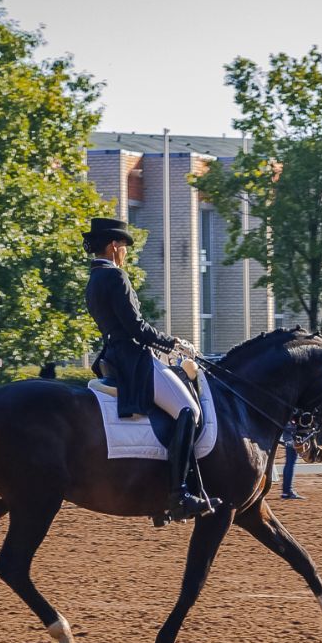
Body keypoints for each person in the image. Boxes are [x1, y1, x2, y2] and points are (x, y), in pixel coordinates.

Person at [82, 217, 218, 524]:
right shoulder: (115, 278)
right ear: (114, 246)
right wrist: (174, 343)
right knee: (188, 411)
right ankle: (178, 493)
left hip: (114, 356)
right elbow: (136, 327)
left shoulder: (93, 280)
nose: (126, 253)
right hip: (134, 359)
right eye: (125, 247)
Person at [279, 421, 304, 500]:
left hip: (288, 435)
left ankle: (286, 492)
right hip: (293, 435)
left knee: (289, 462)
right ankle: (287, 491)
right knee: (290, 463)